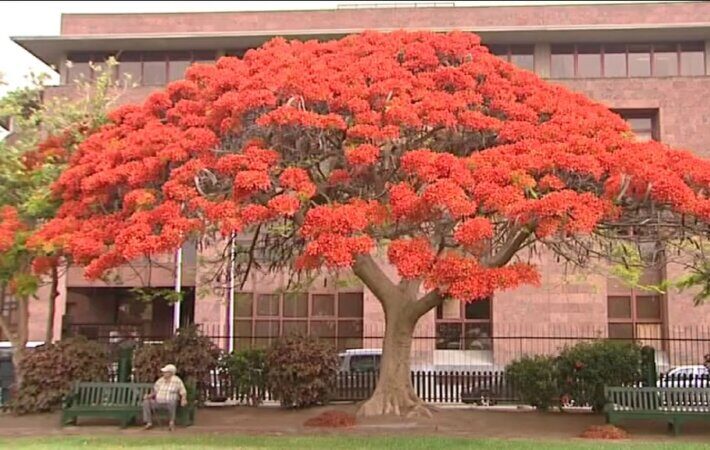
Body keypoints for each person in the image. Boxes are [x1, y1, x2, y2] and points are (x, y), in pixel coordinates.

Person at [142, 364, 187, 431]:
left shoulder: (177, 381)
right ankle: (149, 422)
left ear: (171, 373)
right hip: (158, 402)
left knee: (172, 401)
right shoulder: (160, 381)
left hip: (169, 402)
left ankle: (171, 423)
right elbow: (154, 392)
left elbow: (183, 391)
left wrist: (183, 399)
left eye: (166, 372)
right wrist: (148, 396)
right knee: (146, 402)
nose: (164, 373)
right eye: (164, 372)